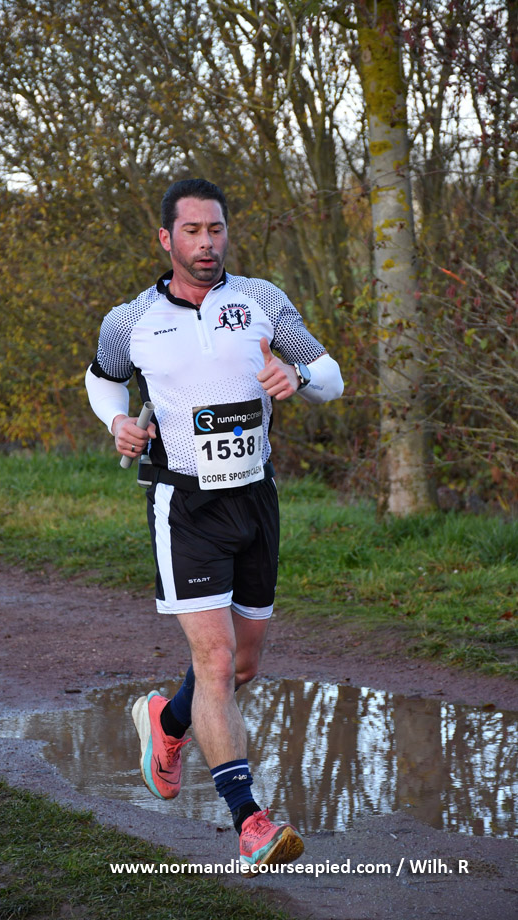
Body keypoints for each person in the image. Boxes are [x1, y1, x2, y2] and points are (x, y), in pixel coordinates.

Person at [86, 178, 344, 874]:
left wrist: (299, 379)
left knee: (244, 665)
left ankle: (167, 721)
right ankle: (249, 821)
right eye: (193, 231)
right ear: (166, 239)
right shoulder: (130, 320)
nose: (207, 243)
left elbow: (330, 375)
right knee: (217, 662)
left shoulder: (261, 300)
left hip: (255, 499)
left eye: (216, 229)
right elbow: (103, 377)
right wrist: (116, 419)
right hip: (184, 505)